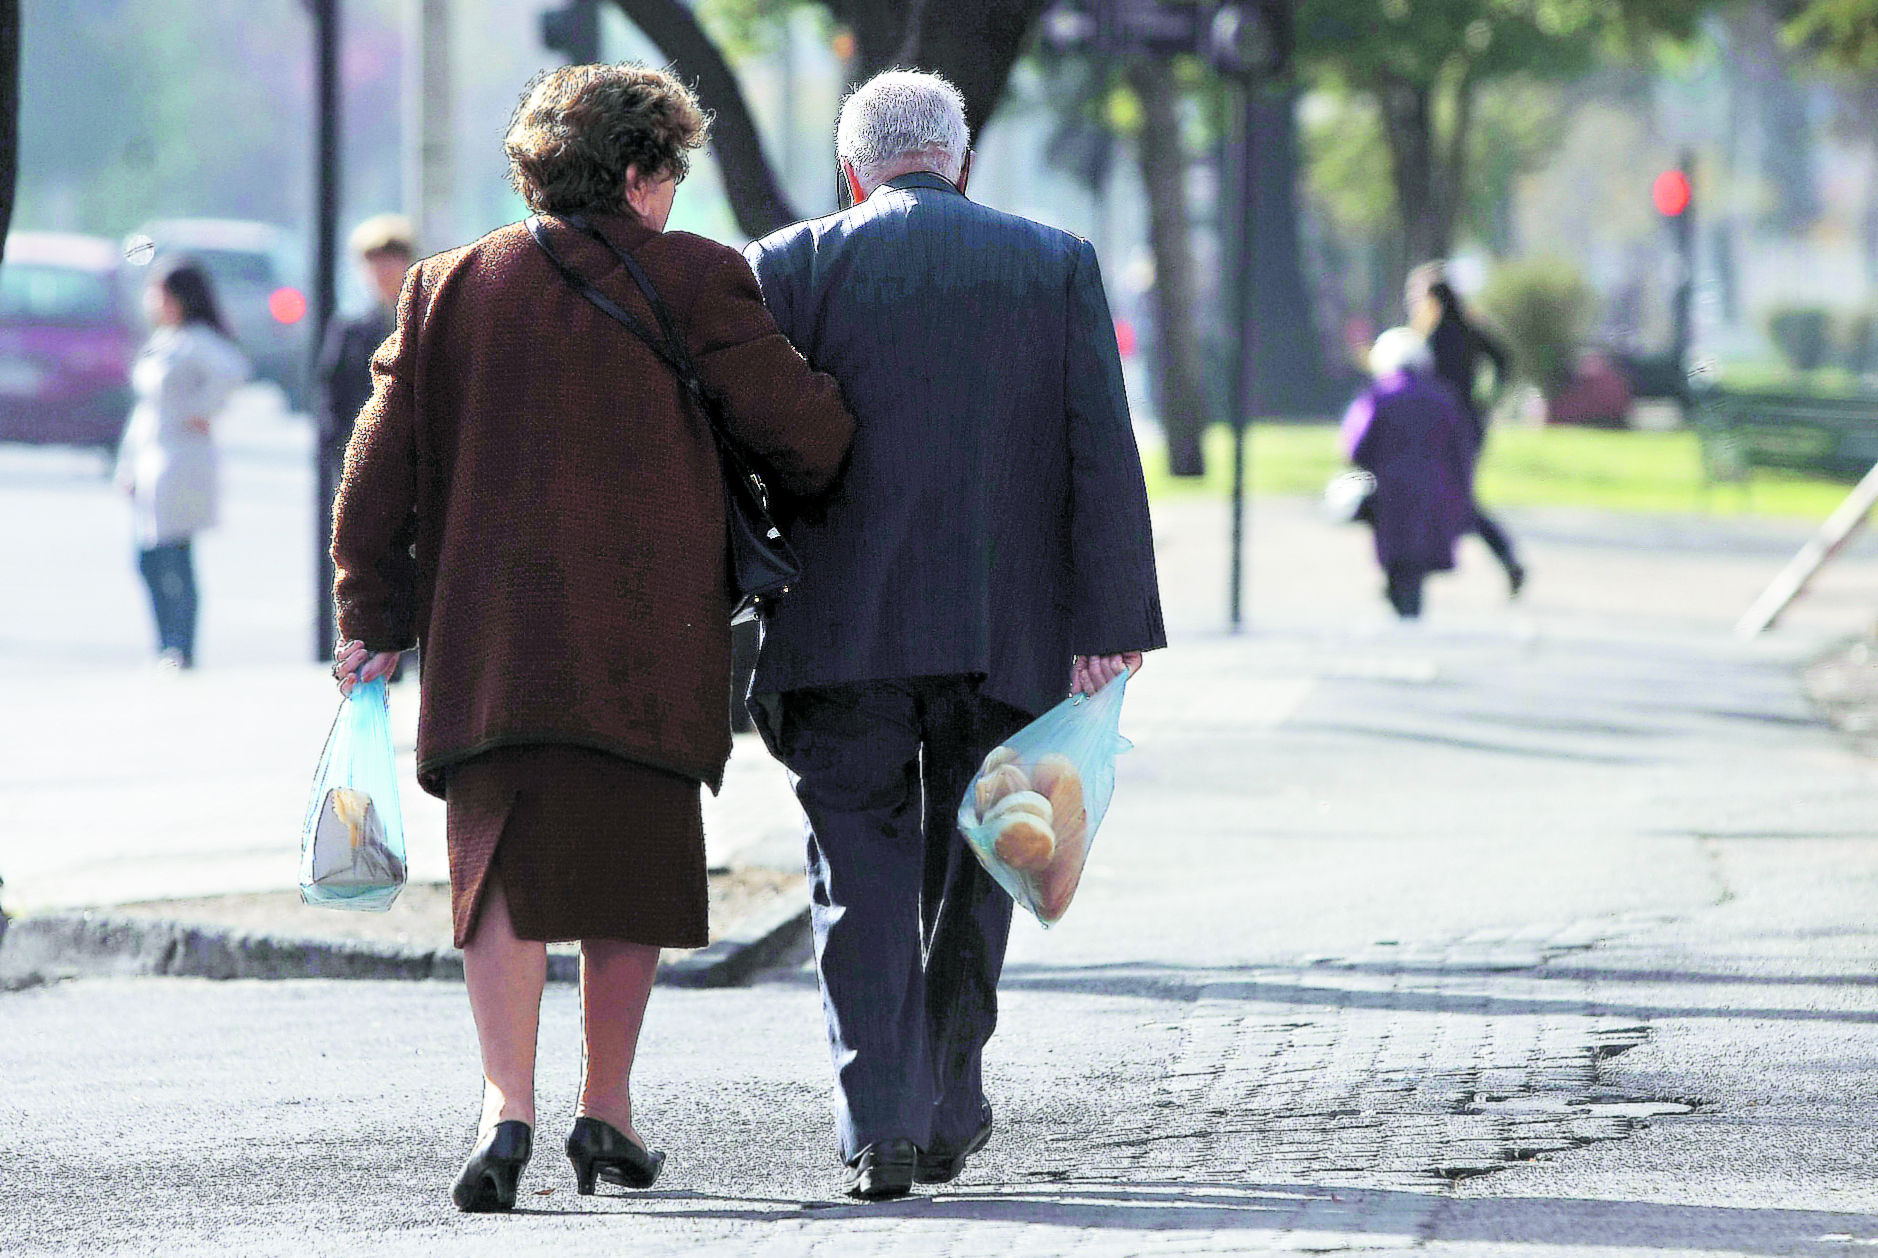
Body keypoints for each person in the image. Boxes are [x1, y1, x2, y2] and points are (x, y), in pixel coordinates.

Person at [328, 63, 854, 1213]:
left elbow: (374, 472)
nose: (672, 195)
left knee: (499, 871)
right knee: (627, 869)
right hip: (644, 637)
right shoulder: (700, 277)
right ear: (634, 172)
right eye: (668, 172)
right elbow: (802, 434)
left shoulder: (446, 286)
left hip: (491, 640)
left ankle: (501, 1109)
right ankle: (604, 1108)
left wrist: (372, 615)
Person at [743, 70, 1166, 1201]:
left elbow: (744, 448)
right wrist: (1111, 621)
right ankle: (950, 1092)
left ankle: (882, 1117)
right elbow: (1099, 450)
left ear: (853, 169)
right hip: (1007, 627)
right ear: (960, 160)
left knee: (858, 876)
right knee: (984, 858)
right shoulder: (1054, 262)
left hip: (841, 629)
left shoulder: (788, 268)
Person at [114, 257, 248, 670]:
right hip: (153, 453)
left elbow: (233, 370)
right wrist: (128, 463)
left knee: (175, 554)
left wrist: (203, 409)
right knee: (148, 557)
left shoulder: (195, 339)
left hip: (181, 457)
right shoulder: (163, 341)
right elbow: (145, 410)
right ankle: (167, 643)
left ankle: (181, 646)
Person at [317, 215, 418, 678]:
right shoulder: (352, 329)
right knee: (372, 563)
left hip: (419, 470)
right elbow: (331, 403)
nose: (383, 271)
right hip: (367, 468)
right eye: (374, 262)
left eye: (391, 260)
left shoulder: (424, 321)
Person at [1406, 261, 1526, 596]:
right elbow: (1503, 360)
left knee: (1451, 498)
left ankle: (1414, 572)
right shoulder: (1469, 328)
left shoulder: (1432, 334)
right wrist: (1489, 401)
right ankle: (1417, 571)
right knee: (1448, 495)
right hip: (1467, 421)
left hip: (1444, 426)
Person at [1340, 327, 1476, 619]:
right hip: (1435, 490)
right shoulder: (1444, 397)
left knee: (1397, 555)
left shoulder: (1378, 397)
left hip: (1389, 492)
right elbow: (1461, 449)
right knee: (1419, 556)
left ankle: (1399, 602)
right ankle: (1408, 606)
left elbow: (1355, 447)